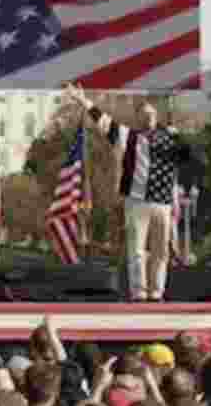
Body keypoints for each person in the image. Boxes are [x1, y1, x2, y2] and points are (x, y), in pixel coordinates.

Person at [65, 83, 194, 302]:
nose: (148, 117)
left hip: (162, 203)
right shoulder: (129, 136)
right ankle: (138, 293)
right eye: (144, 115)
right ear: (138, 119)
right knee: (136, 251)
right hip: (136, 202)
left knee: (161, 252)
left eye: (151, 114)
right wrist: (83, 100)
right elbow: (103, 121)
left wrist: (178, 135)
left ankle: (156, 293)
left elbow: (187, 156)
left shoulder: (169, 138)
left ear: (157, 116)